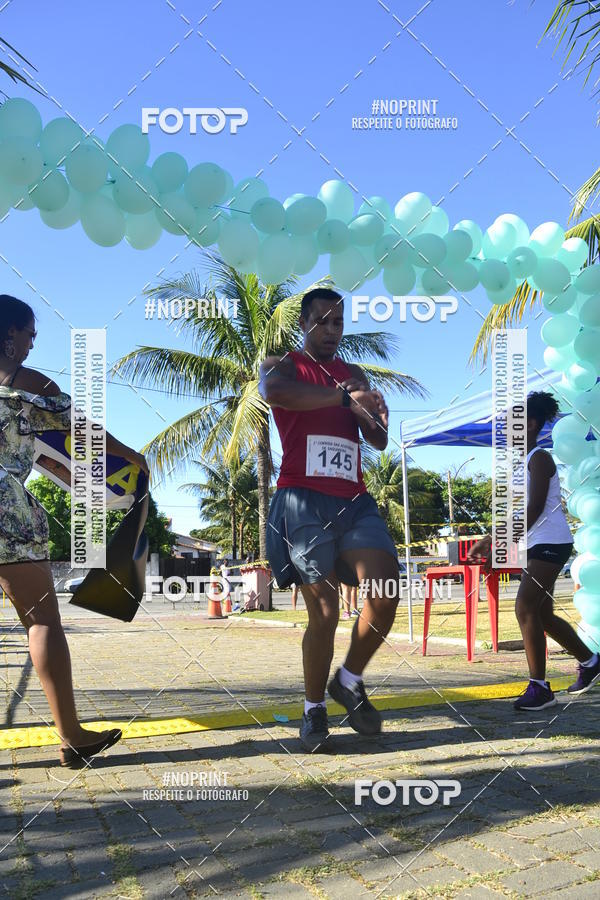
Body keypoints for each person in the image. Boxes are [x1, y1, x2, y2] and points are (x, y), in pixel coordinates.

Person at [0, 295, 149, 766]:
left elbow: (45, 456)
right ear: (9, 334)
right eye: (29, 333)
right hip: (6, 512)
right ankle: (72, 736)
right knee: (41, 622)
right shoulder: (27, 383)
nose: (32, 342)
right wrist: (131, 455)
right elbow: (80, 433)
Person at [259, 286, 400, 751]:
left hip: (354, 500)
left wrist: (376, 416)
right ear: (303, 323)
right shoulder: (281, 365)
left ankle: (349, 679)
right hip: (302, 500)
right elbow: (274, 392)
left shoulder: (354, 374)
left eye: (338, 322)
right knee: (324, 612)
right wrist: (341, 399)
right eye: (322, 321)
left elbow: (377, 441)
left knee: (386, 589)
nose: (331, 330)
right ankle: (313, 709)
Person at [467, 391, 600, 711]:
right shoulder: (527, 461)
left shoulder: (539, 458)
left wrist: (501, 544)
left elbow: (535, 508)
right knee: (542, 615)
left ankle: (540, 689)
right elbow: (521, 512)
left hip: (550, 544)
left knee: (525, 607)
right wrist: (490, 538)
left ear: (528, 425)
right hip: (538, 543)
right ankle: (591, 662)